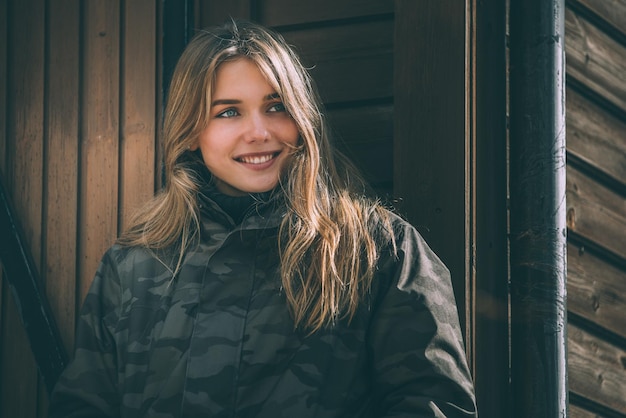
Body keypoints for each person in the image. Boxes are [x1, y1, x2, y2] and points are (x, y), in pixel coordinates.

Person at [49, 19, 477, 418]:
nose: (259, 131)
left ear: (302, 118)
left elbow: (432, 405)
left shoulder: (380, 250)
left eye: (276, 107)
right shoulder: (132, 265)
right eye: (228, 112)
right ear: (192, 132)